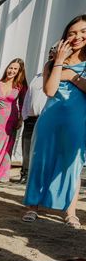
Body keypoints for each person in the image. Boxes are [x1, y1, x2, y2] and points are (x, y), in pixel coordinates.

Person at [23, 15, 86, 228]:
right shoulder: (52, 62)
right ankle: (32, 206)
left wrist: (72, 77)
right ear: (65, 37)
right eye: (72, 32)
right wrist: (59, 62)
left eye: (83, 31)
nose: (78, 36)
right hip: (50, 118)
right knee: (40, 160)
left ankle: (70, 211)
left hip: (78, 119)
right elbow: (50, 90)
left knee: (72, 163)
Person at [18, 56, 49, 185]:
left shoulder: (60, 76)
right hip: (30, 119)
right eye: (50, 56)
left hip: (45, 119)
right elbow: (28, 97)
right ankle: (25, 174)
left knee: (42, 149)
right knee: (26, 147)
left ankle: (39, 176)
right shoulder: (37, 77)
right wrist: (25, 115)